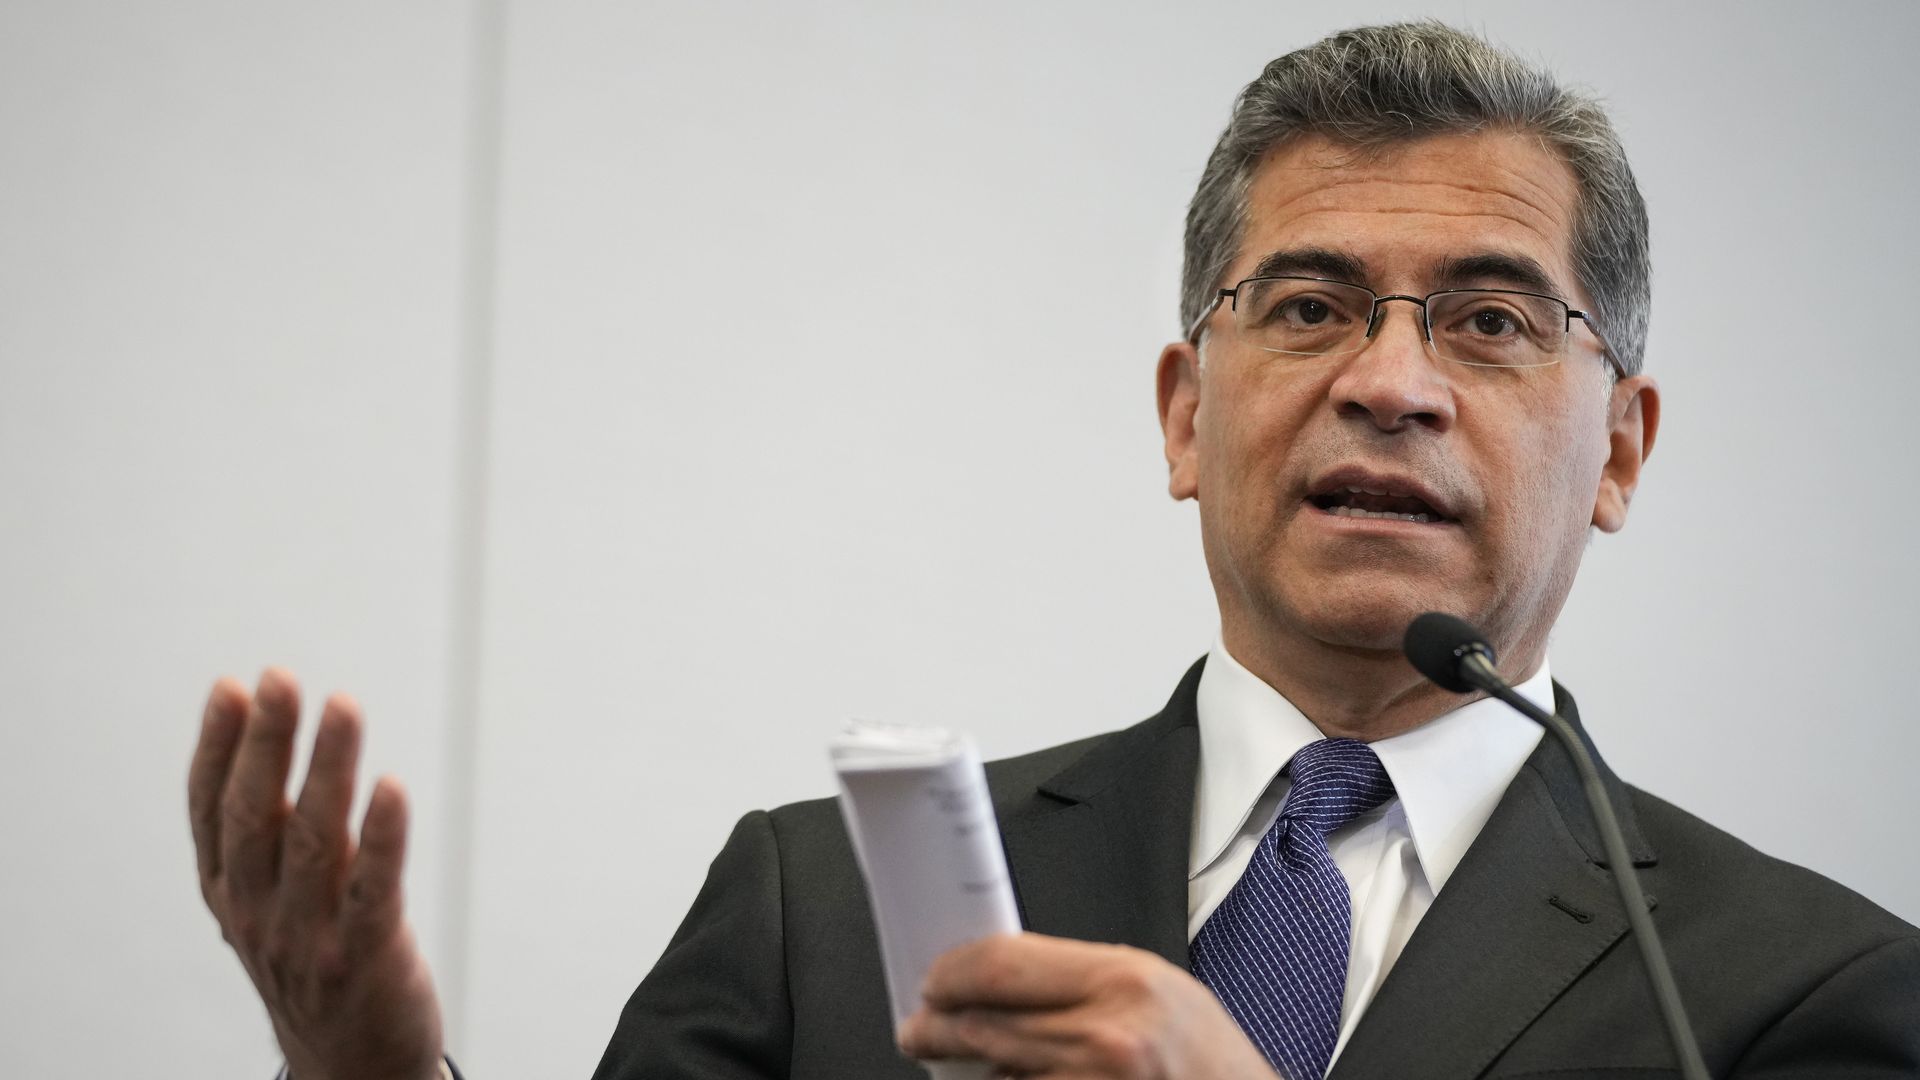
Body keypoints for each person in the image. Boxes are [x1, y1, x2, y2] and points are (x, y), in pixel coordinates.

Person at [186, 21, 1920, 1080]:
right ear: (1184, 413)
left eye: (1486, 321)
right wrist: (367, 1073)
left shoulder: (1791, 992)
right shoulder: (823, 910)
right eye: (1309, 306)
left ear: (1618, 447)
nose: (1389, 385)